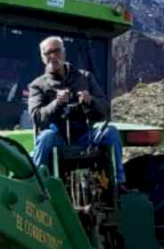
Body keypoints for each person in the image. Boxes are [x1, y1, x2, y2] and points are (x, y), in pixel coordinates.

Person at [26, 36, 125, 185]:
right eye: (48, 53)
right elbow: (36, 117)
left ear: (64, 53)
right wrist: (56, 104)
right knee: (46, 137)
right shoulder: (37, 86)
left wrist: (90, 100)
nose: (53, 56)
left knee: (110, 131)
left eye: (56, 51)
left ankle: (118, 183)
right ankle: (36, 184)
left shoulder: (85, 77)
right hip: (57, 138)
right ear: (42, 58)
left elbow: (104, 109)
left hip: (85, 136)